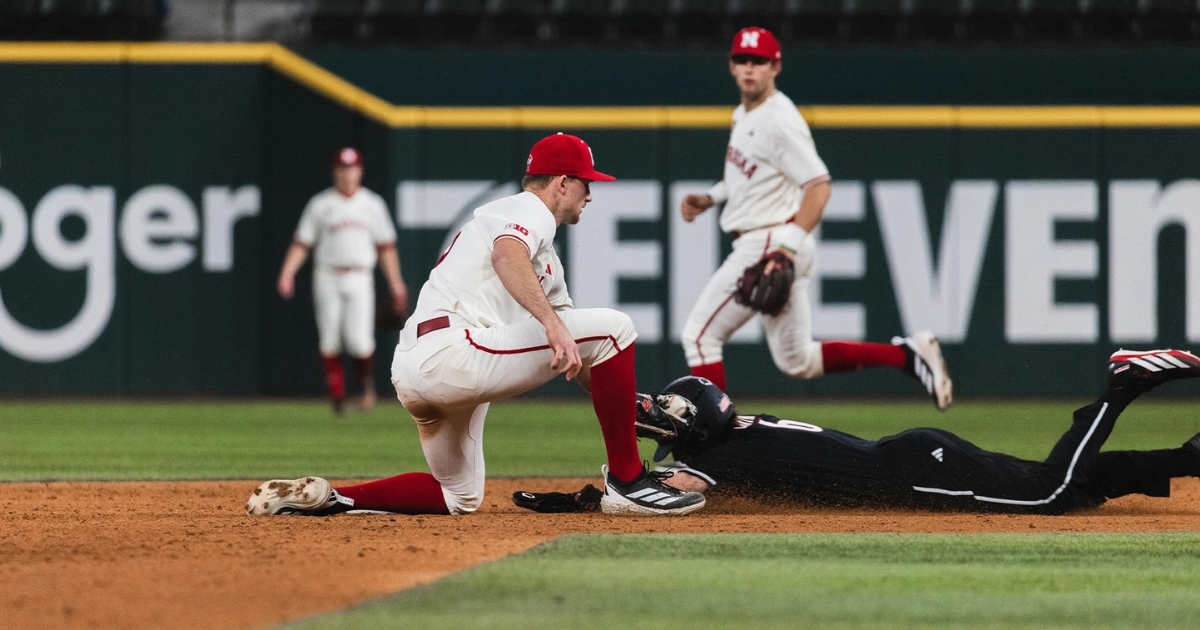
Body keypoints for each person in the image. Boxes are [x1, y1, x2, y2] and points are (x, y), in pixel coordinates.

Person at [247, 133, 707, 517]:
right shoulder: (529, 209)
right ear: (562, 183)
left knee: (459, 495)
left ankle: (334, 497)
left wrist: (634, 406)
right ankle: (629, 483)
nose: (592, 194)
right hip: (456, 350)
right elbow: (508, 256)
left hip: (417, 369)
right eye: (586, 183)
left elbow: (583, 354)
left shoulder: (543, 256)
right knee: (616, 327)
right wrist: (550, 323)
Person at [516, 348, 1200, 516]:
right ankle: (1189, 460)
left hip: (914, 470)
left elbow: (659, 494)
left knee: (1049, 493)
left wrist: (586, 498)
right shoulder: (733, 436)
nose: (662, 425)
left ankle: (1122, 386)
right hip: (913, 454)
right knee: (1074, 492)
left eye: (669, 416)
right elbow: (674, 462)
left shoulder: (719, 459)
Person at [679, 26, 951, 410]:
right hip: (774, 240)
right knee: (797, 360)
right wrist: (710, 198)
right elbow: (747, 176)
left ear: (776, 66)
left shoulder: (778, 120)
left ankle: (710, 445)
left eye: (759, 61)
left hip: (772, 242)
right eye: (742, 60)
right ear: (731, 65)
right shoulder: (745, 113)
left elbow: (819, 186)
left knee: (700, 336)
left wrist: (784, 251)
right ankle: (907, 355)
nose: (749, 69)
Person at [277, 147, 409, 414]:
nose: (347, 174)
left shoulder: (372, 204)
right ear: (334, 171)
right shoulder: (320, 204)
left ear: (360, 171)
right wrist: (287, 272)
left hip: (360, 276)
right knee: (329, 340)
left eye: (352, 168)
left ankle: (365, 389)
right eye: (342, 168)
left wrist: (395, 281)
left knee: (359, 340)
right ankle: (337, 399)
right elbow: (302, 243)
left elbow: (386, 247)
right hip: (327, 275)